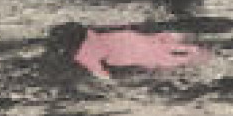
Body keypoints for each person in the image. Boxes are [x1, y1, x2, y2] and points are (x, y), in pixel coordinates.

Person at [46, 22, 210, 80]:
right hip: (135, 39)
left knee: (174, 64)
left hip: (138, 55)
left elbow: (104, 79)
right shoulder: (95, 36)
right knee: (182, 54)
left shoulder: (83, 54)